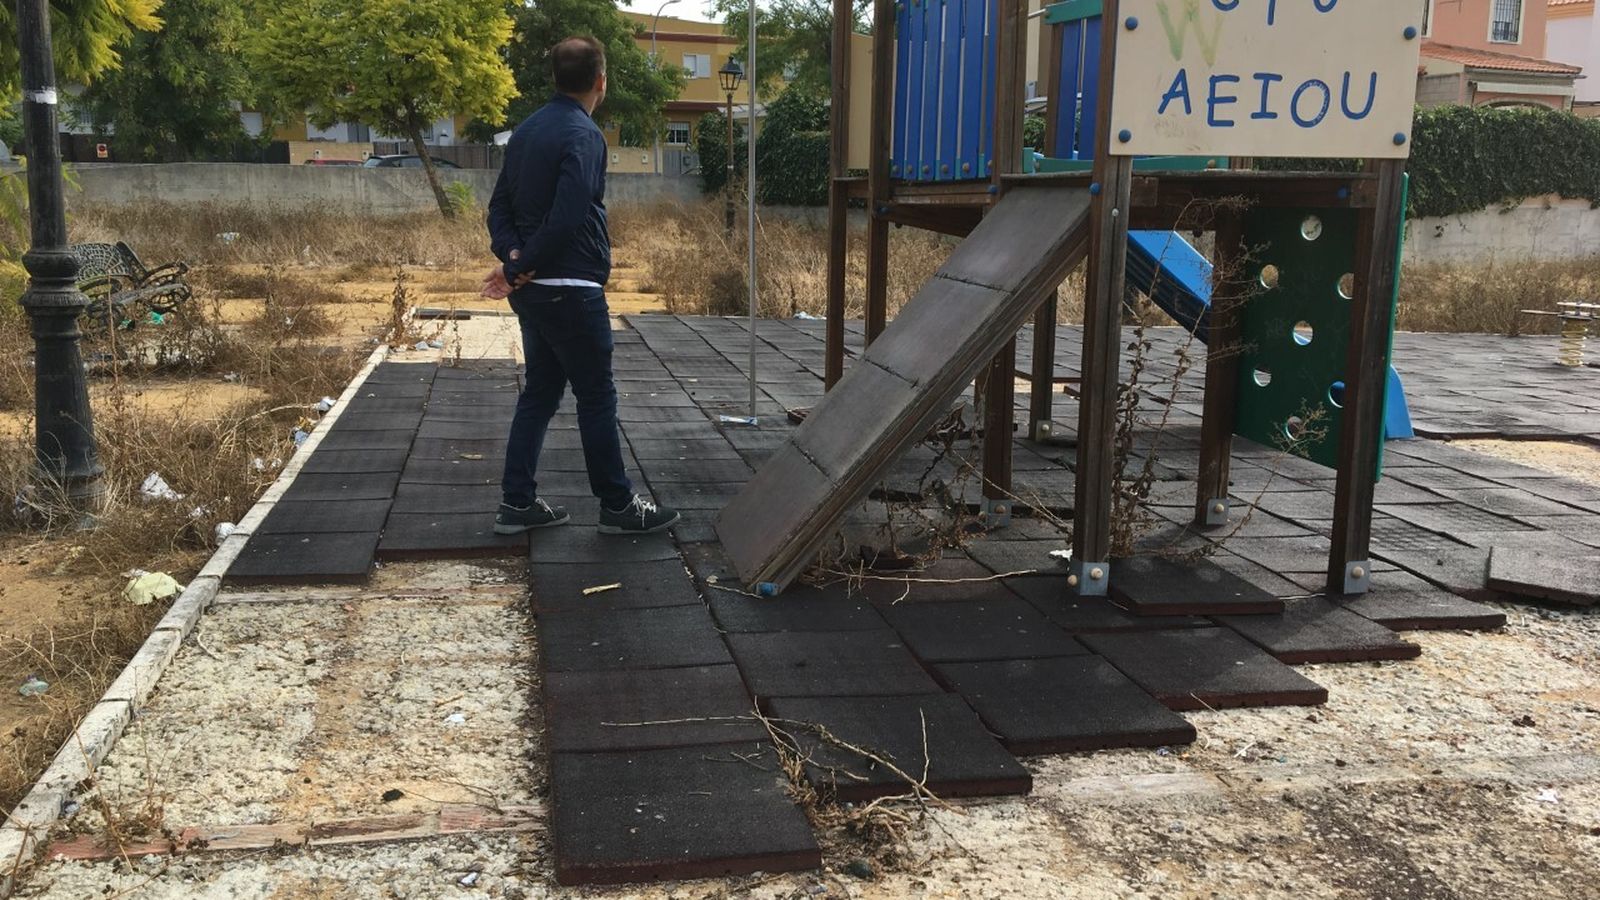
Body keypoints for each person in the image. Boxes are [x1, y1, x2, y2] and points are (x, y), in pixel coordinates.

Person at [483, 35, 680, 537]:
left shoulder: (525, 133)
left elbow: (499, 208)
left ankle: (517, 503)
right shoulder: (584, 134)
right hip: (572, 288)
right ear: (601, 81)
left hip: (534, 294)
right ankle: (617, 505)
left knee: (540, 393)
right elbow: (569, 216)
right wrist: (521, 263)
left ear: (555, 78)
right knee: (596, 396)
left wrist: (513, 260)